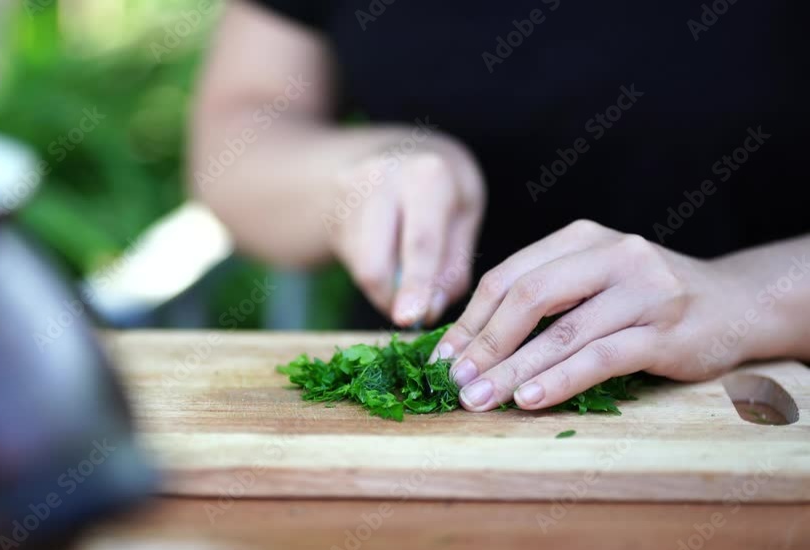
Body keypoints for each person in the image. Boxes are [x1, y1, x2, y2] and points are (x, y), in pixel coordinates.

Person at [189, 0, 810, 413]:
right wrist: (351, 170)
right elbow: (234, 142)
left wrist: (745, 295)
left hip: (751, 415)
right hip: (431, 423)